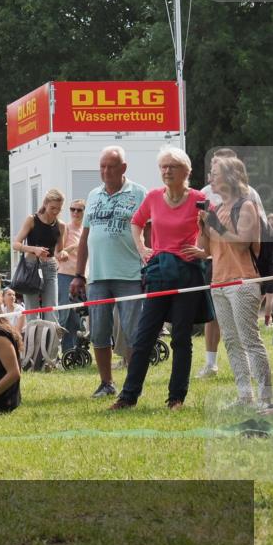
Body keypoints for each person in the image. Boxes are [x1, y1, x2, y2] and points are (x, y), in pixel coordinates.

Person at [110, 147, 214, 411]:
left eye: (173, 167)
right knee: (144, 336)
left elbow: (214, 234)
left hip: (187, 273)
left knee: (181, 336)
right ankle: (128, 397)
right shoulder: (154, 197)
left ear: (186, 172)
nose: (167, 171)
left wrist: (204, 250)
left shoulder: (200, 198)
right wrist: (142, 248)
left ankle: (176, 398)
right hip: (158, 272)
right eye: (163, 167)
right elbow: (136, 222)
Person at [71, 146, 149, 399]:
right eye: (102, 166)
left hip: (130, 274)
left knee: (133, 330)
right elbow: (84, 238)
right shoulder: (93, 195)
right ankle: (106, 383)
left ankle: (133, 384)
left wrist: (149, 264)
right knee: (99, 331)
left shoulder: (139, 193)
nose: (105, 171)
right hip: (98, 277)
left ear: (123, 168)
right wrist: (79, 274)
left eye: (111, 166)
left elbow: (151, 232)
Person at [198, 154, 272, 409]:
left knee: (250, 340)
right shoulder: (217, 210)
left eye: (215, 173)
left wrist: (215, 225)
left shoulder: (247, 205)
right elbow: (206, 249)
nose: (210, 178)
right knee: (230, 341)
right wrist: (203, 227)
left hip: (242, 282)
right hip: (218, 282)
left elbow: (241, 244)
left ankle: (266, 400)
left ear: (230, 176)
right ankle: (245, 397)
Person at [13, 188, 66, 322]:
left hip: (50, 267)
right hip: (31, 267)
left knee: (52, 310)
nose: (55, 212)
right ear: (45, 204)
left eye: (58, 209)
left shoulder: (61, 226)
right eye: (52, 208)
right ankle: (34, 342)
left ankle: (53, 343)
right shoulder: (32, 220)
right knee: (32, 311)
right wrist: (33, 249)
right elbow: (16, 244)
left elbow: (59, 250)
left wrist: (63, 254)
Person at [56, 199, 85, 351]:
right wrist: (76, 246)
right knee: (63, 314)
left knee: (76, 318)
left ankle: (71, 351)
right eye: (72, 209)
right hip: (65, 275)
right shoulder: (65, 228)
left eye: (79, 210)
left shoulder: (86, 230)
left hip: (80, 277)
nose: (75, 212)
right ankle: (54, 351)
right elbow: (58, 253)